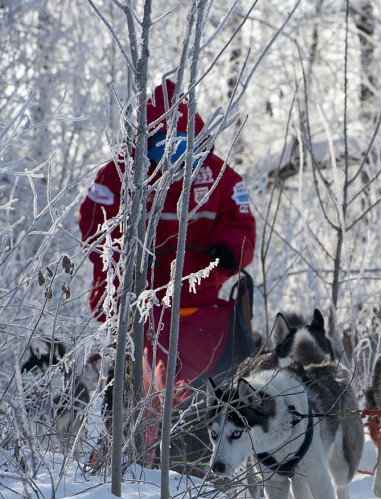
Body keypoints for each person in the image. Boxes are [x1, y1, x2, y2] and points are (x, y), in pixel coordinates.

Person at [79, 79, 257, 406]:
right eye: (164, 147)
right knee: (135, 391)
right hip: (136, 306)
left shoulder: (219, 176)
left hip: (200, 306)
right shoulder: (118, 174)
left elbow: (240, 224)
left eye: (183, 147)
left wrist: (230, 252)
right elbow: (97, 227)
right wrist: (127, 259)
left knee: (215, 386)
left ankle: (199, 425)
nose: (174, 159)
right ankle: (136, 429)